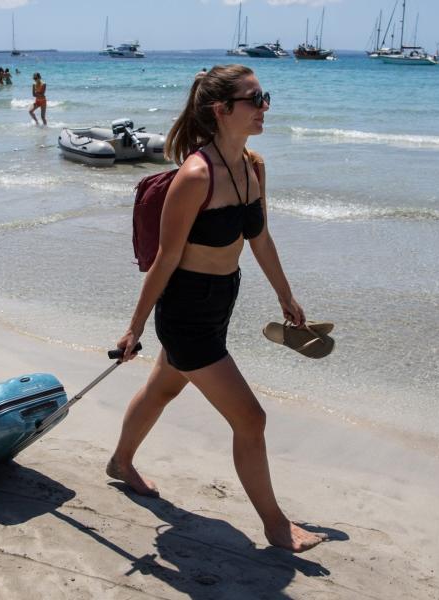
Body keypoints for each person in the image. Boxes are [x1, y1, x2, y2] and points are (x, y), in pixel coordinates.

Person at [109, 65, 325, 553]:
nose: (265, 105)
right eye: (255, 98)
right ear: (222, 109)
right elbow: (165, 259)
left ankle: (121, 461)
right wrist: (135, 328)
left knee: (163, 388)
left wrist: (285, 296)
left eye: (264, 95)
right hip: (186, 311)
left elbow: (260, 237)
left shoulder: (254, 166)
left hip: (222, 299)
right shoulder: (196, 176)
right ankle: (274, 524)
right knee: (251, 420)